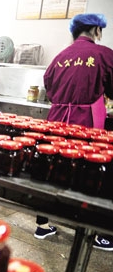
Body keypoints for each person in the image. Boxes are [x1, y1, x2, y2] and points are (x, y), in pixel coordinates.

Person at [38, 13, 113, 251]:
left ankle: (42, 224)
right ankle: (94, 232)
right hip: (85, 121)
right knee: (91, 171)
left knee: (51, 167)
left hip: (57, 119)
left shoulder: (60, 56)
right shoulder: (103, 54)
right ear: (97, 31)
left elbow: (49, 86)